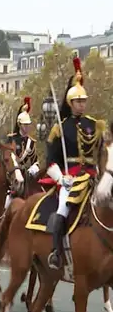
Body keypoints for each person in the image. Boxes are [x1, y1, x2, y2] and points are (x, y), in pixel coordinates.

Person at [43, 56, 104, 270]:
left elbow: (100, 154)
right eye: (78, 101)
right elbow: (50, 161)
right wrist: (61, 178)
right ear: (70, 103)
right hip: (71, 179)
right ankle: (55, 251)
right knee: (62, 207)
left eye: (84, 101)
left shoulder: (94, 126)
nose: (82, 104)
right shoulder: (60, 127)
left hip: (92, 177)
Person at [7, 96, 40, 203]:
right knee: (7, 202)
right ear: (19, 124)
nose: (27, 127)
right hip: (12, 177)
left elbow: (36, 160)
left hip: (26, 176)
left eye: (28, 125)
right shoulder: (11, 139)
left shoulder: (31, 143)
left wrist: (34, 167)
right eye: (24, 125)